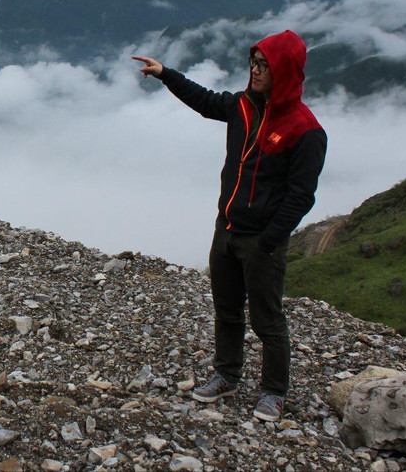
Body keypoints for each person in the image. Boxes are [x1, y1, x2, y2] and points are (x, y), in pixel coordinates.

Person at [132, 29, 326, 422]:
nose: (254, 71)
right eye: (253, 62)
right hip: (227, 229)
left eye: (263, 65)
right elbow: (205, 101)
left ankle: (273, 392)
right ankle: (227, 375)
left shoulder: (306, 130)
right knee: (227, 311)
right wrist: (166, 73)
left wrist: (270, 240)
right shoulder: (242, 107)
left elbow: (301, 196)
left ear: (284, 70)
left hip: (261, 241)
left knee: (267, 320)